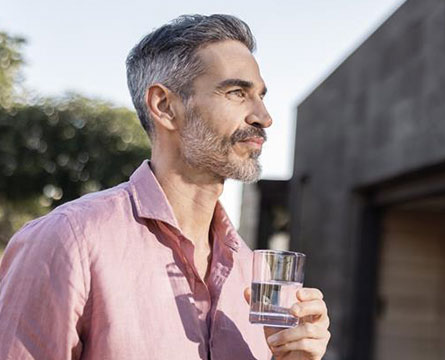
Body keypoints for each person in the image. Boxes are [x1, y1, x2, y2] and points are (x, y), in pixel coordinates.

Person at [0, 14, 329, 359]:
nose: (263, 117)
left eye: (260, 96)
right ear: (164, 106)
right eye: (237, 92)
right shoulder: (67, 241)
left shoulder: (250, 274)